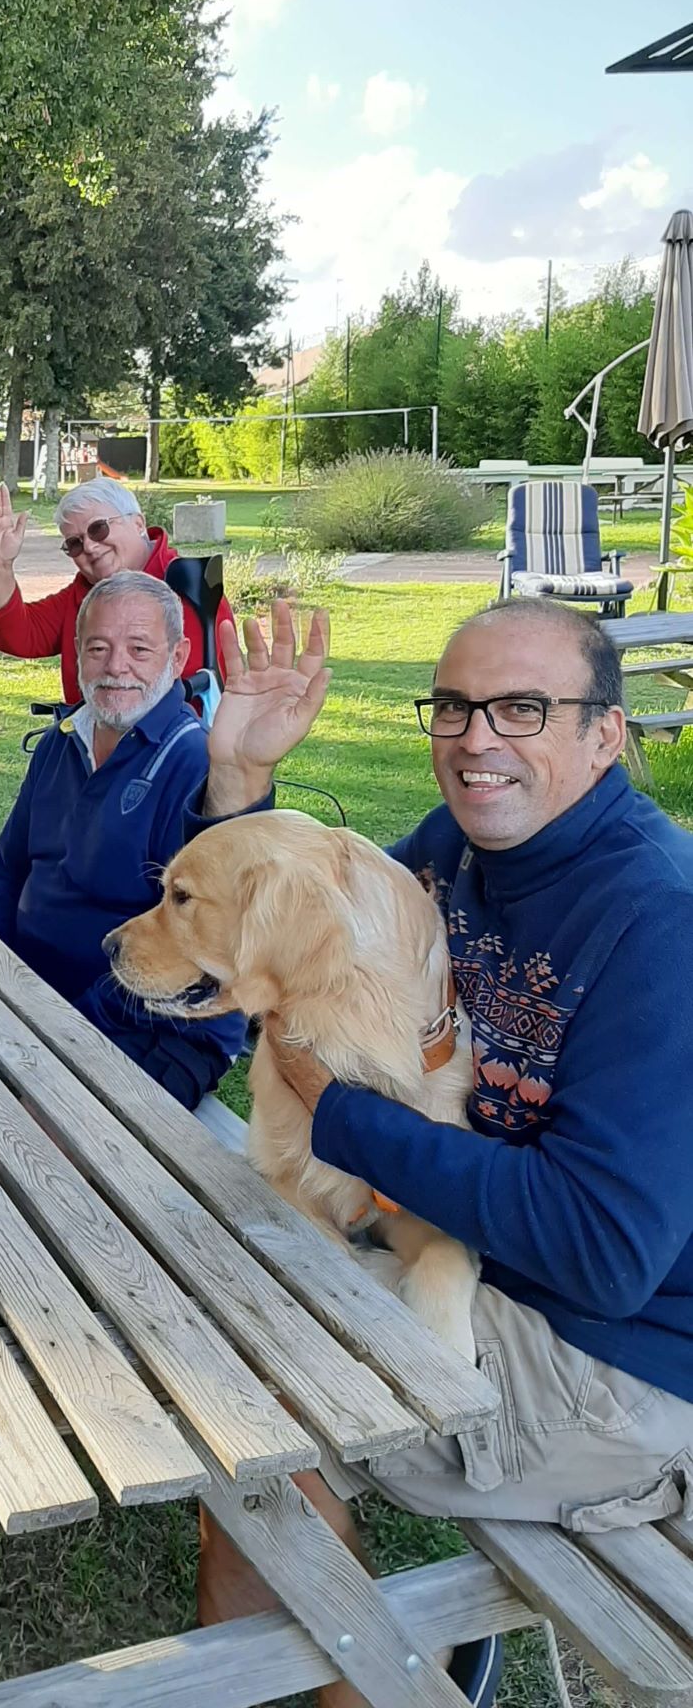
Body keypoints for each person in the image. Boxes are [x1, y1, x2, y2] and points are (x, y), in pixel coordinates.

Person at [195, 595, 693, 1708]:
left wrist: (346, 1115)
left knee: (240, 1374)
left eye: (524, 708)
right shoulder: (461, 854)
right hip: (474, 1271)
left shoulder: (661, 918)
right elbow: (302, 903)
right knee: (218, 1283)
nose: (477, 739)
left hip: (620, 1364)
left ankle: (378, 1677)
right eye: (458, 706)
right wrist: (239, 778)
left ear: (606, 732)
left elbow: (604, 1249)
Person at [0, 570, 328, 1109]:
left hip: (156, 1025)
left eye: (139, 648)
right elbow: (7, 873)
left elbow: (192, 947)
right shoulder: (62, 740)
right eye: (98, 647)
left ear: (179, 653)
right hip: (40, 998)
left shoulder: (194, 759)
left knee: (40, 1132)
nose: (116, 667)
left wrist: (56, 1027)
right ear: (75, 653)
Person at [0, 477, 236, 706]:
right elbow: (18, 635)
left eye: (99, 529)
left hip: (176, 757)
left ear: (138, 524)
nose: (90, 547)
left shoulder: (191, 590)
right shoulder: (83, 594)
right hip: (94, 756)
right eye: (75, 544)